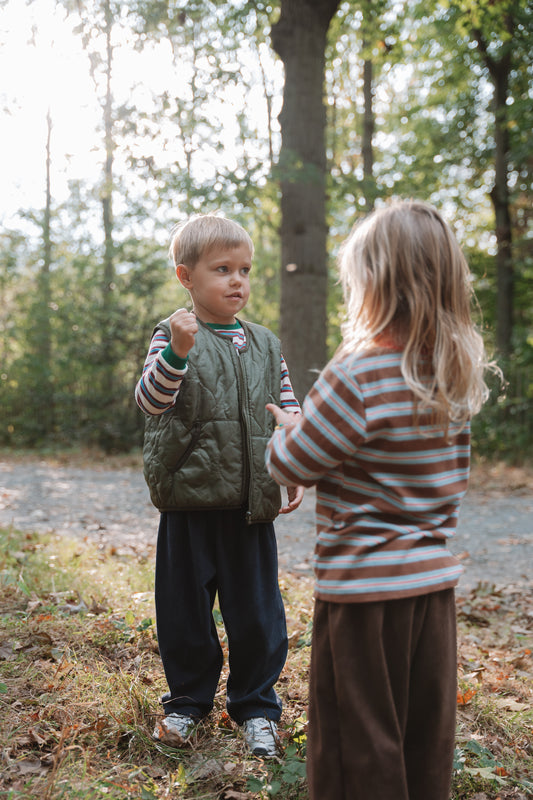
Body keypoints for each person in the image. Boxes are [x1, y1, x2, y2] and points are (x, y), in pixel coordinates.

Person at [265, 201, 496, 799]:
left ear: (372, 282)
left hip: (363, 597)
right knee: (425, 744)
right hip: (432, 593)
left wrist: (287, 428)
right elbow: (449, 478)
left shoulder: (358, 372)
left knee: (357, 749)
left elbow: (292, 463)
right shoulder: (450, 375)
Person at [135, 214, 303, 757]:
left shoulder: (265, 343)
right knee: (184, 611)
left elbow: (286, 410)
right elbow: (150, 401)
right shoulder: (174, 333)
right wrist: (177, 353)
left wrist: (294, 459)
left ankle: (255, 708)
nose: (238, 281)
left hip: (251, 503)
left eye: (245, 270)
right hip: (189, 499)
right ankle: (187, 702)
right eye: (222, 269)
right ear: (187, 277)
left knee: (258, 613)